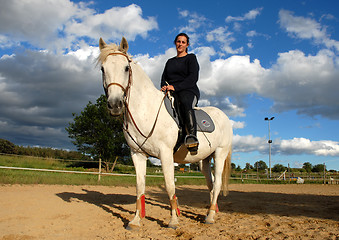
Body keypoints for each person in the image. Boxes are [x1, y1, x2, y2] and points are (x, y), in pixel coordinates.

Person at [160, 33, 200, 152]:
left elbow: (193, 78)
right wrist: (163, 87)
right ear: (175, 43)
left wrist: (175, 87)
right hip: (171, 91)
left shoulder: (191, 58)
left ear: (187, 44)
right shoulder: (169, 62)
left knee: (184, 101)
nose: (180, 44)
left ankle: (192, 137)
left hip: (188, 90)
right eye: (178, 41)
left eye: (183, 42)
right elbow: (163, 78)